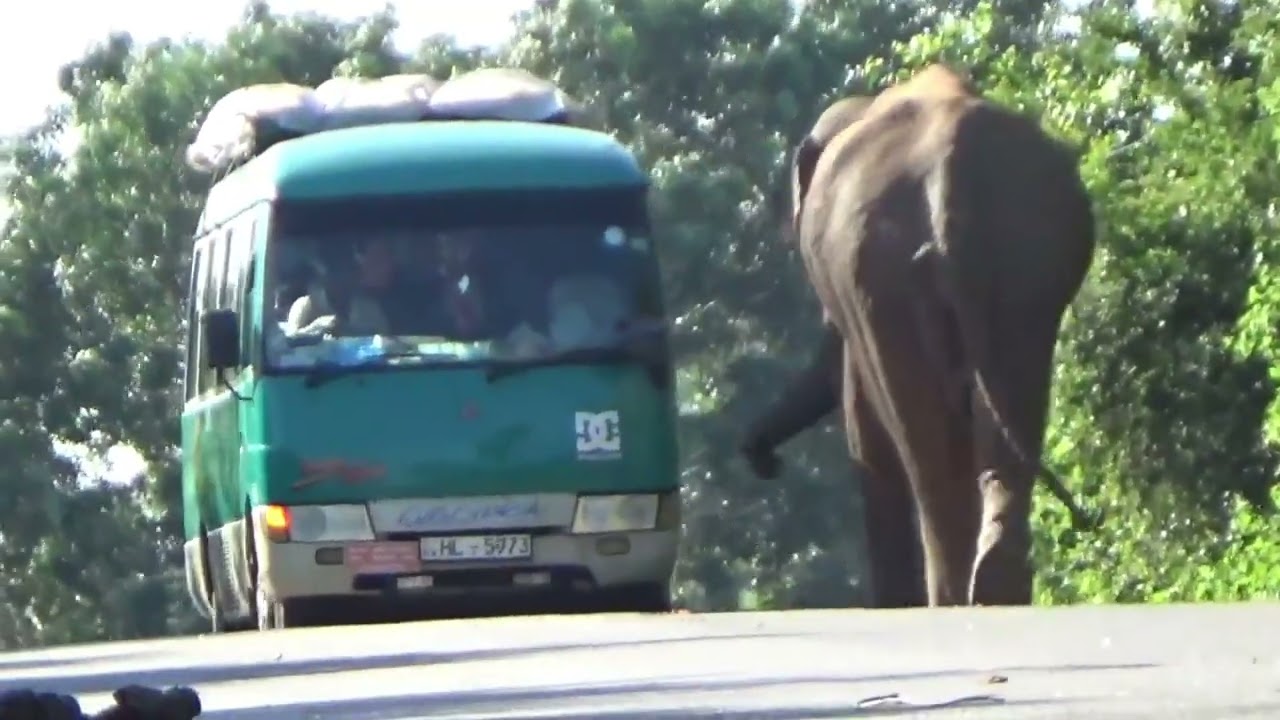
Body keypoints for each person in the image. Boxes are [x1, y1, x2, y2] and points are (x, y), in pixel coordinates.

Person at [285, 237, 394, 337]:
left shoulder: (370, 310)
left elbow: (386, 344)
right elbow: (290, 342)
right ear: (325, 274)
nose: (344, 279)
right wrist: (316, 328)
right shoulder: (305, 306)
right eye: (337, 271)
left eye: (349, 270)